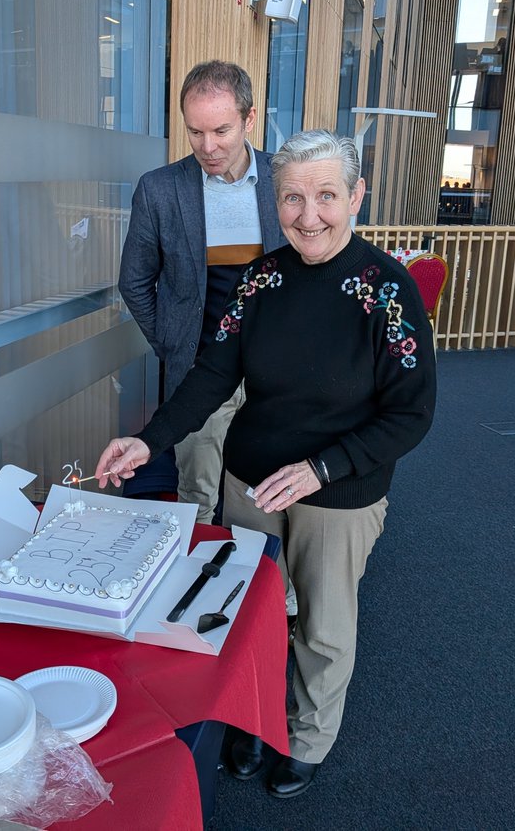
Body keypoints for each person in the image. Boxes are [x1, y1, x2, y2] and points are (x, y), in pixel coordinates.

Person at [96, 130, 437, 798]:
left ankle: (307, 735)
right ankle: (254, 722)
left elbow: (411, 414)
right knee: (250, 615)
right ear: (274, 202)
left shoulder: (388, 290)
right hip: (250, 482)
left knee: (322, 625)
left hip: (340, 495)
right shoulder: (260, 280)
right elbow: (210, 376)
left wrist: (322, 468)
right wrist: (151, 439)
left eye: (327, 197)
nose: (309, 215)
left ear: (357, 196)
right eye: (292, 199)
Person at [118, 60, 286, 524]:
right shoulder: (159, 190)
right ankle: (194, 590)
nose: (207, 147)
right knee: (197, 496)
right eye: (195, 132)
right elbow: (133, 281)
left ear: (250, 119)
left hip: (273, 374)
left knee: (267, 494)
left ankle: (268, 593)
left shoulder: (285, 182)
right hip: (199, 373)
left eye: (221, 131)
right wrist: (173, 343)